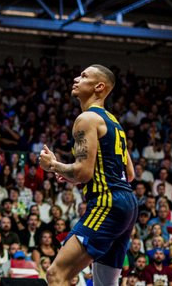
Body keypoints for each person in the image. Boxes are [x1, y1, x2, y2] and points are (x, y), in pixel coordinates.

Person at [39, 65, 138, 285]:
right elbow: (129, 173)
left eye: (83, 76)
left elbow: (83, 173)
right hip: (128, 204)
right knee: (104, 283)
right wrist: (72, 174)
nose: (76, 78)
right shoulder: (114, 122)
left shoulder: (87, 119)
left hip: (107, 202)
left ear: (99, 87)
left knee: (56, 275)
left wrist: (53, 165)